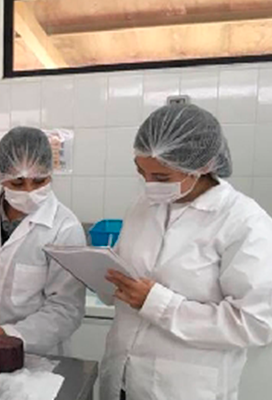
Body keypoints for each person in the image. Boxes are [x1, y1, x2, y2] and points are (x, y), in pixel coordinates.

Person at [100, 104, 272, 400]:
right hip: (122, 377)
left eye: (161, 177)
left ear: (202, 166)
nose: (149, 185)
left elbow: (255, 323)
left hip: (183, 388)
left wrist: (158, 304)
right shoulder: (143, 206)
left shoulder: (244, 222)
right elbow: (127, 268)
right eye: (141, 172)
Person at [0, 126, 86, 355]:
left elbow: (66, 308)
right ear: (0, 177)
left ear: (50, 174)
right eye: (18, 183)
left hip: (35, 356)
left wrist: (12, 335)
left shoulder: (64, 228)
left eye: (39, 181)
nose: (29, 191)